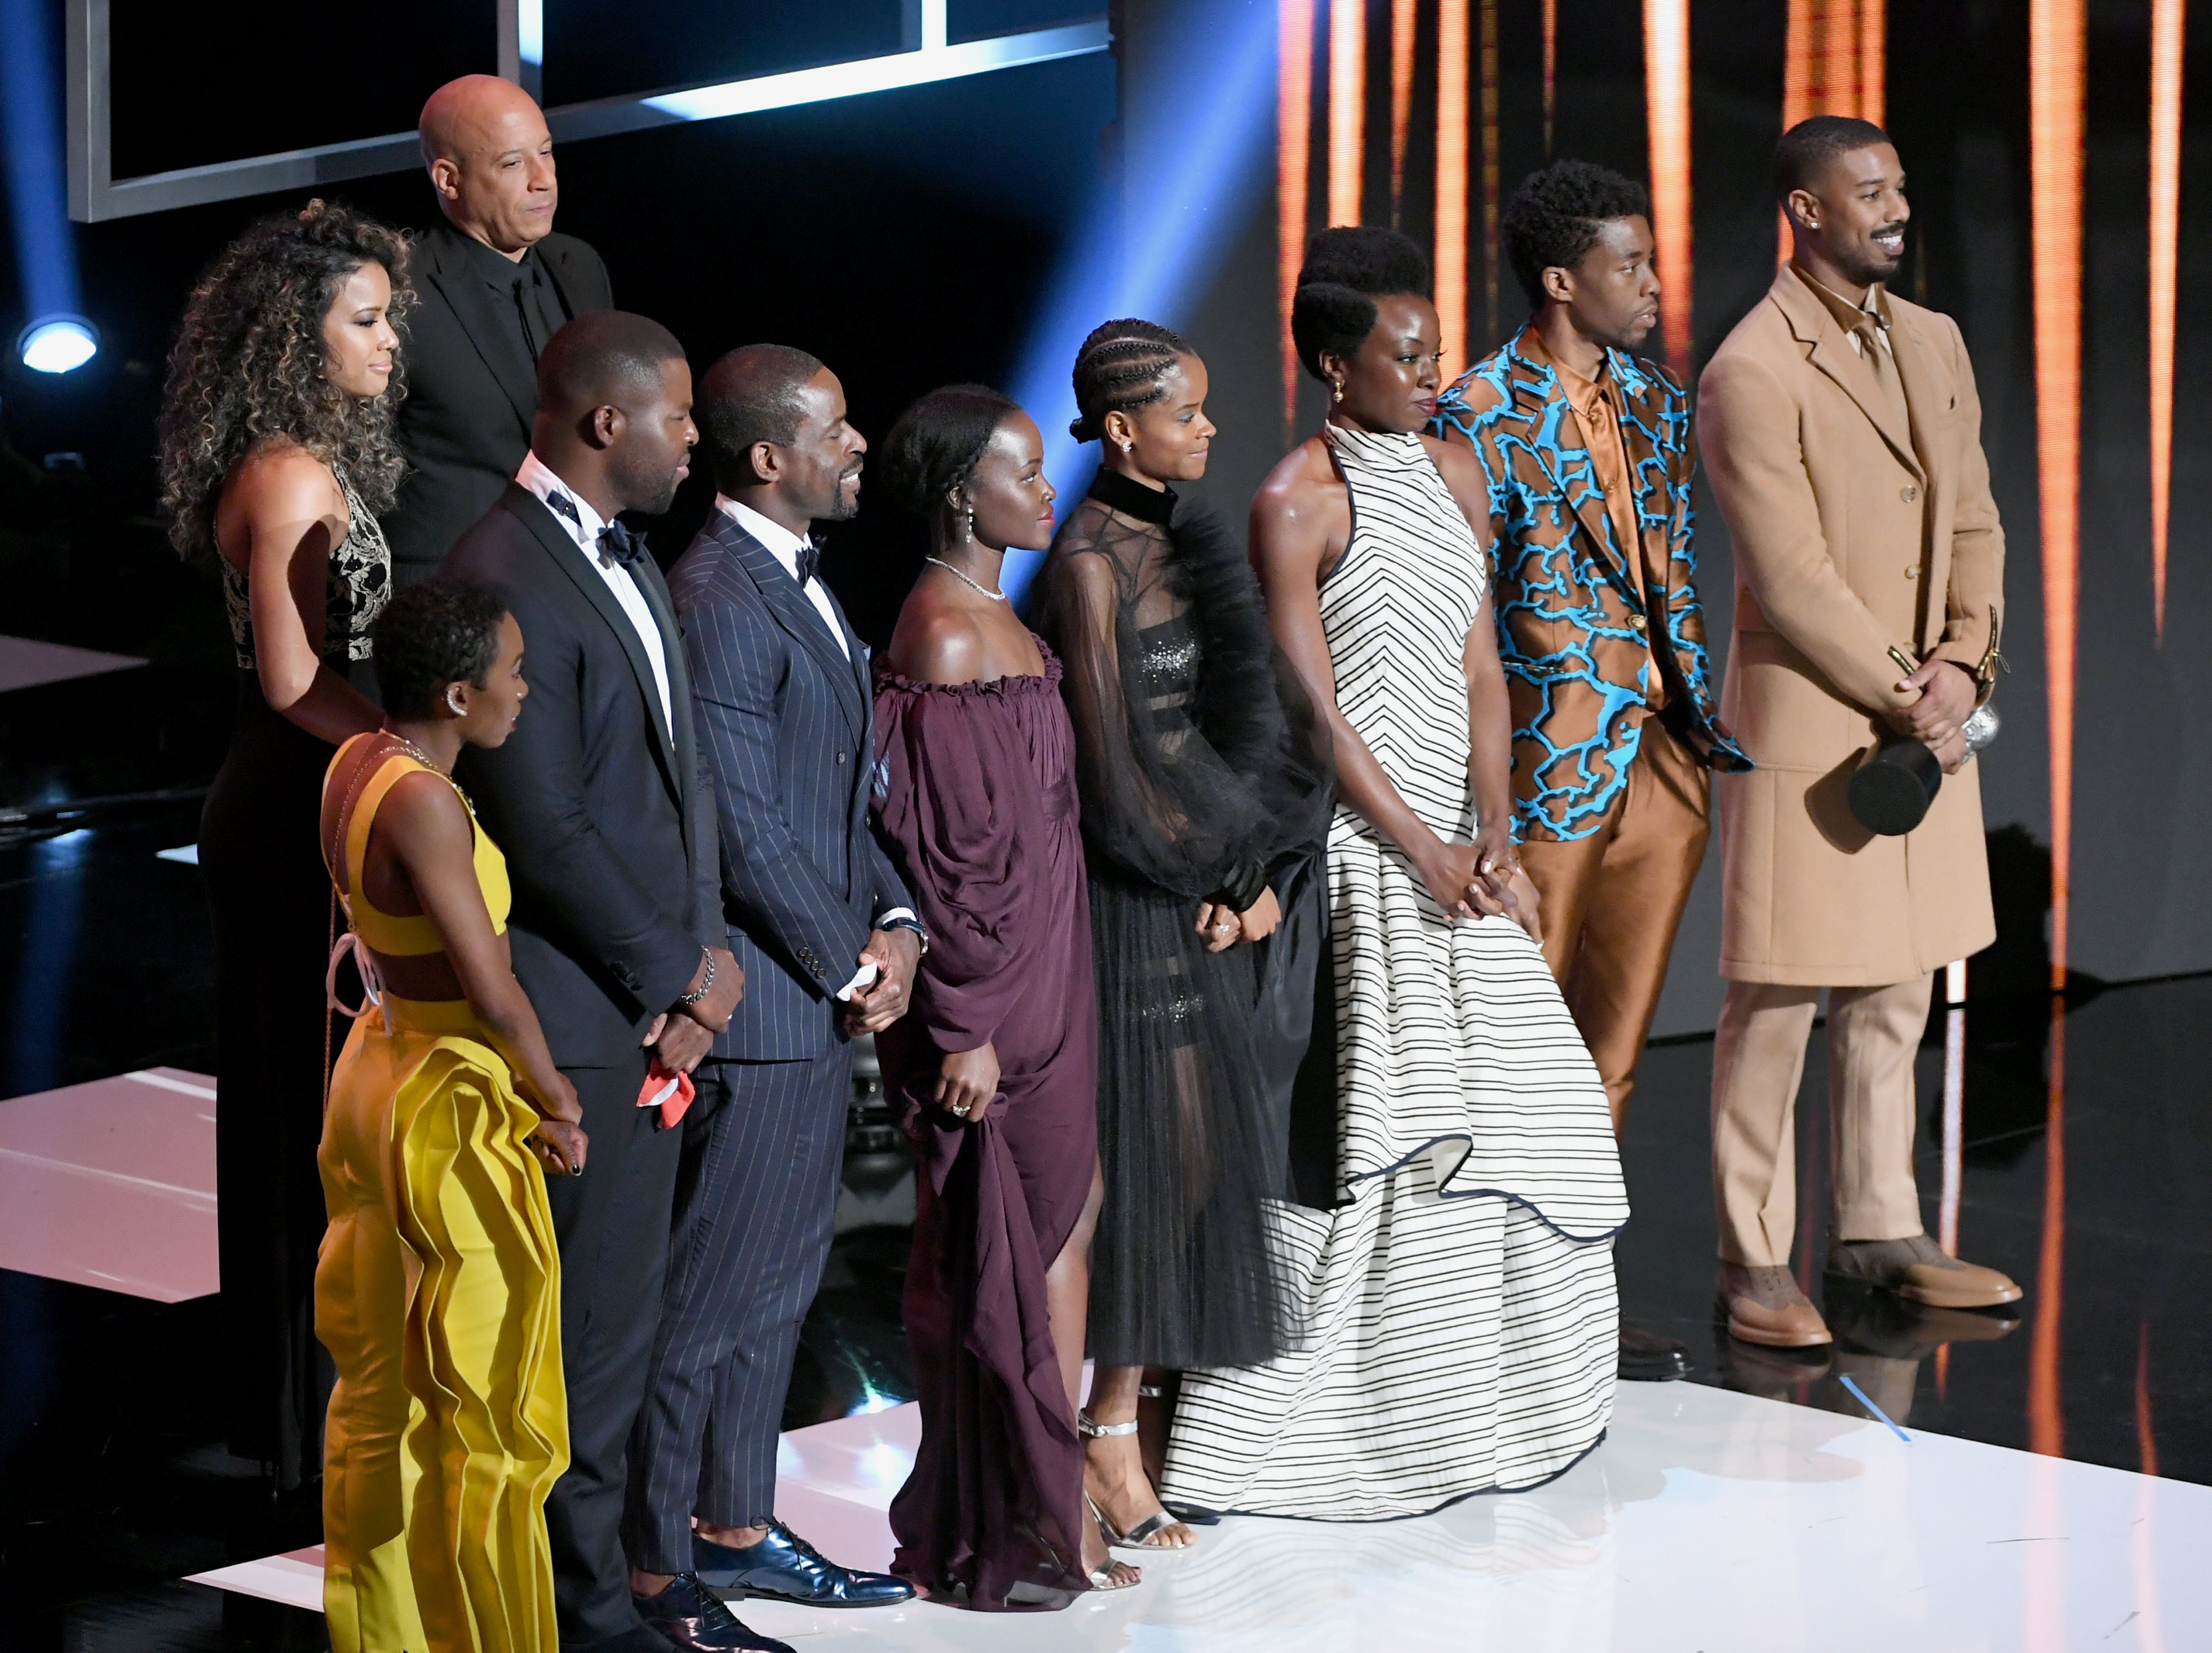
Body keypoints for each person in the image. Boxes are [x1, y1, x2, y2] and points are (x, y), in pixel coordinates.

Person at [1163, 228, 1629, 1520]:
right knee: (1391, 1139)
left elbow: (1484, 668)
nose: (1430, 373)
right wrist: (1418, 847)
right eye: (1403, 353)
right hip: (1365, 860)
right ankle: (1328, 1431)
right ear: (1331, 362)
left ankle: (1498, 1408)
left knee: (1532, 1119)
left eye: (1433, 350)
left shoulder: (1456, 472)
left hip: (1462, 856)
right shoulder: (1295, 499)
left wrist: (1497, 837)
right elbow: (1313, 712)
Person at [441, 311, 744, 1652]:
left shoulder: (628, 558)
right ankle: (577, 1619)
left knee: (621, 1332)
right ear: (606, 422)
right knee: (580, 1343)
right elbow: (540, 818)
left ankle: (610, 1595)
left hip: (654, 1006)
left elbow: (677, 785)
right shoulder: (501, 565)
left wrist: (701, 960)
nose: (696, 436)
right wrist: (673, 968)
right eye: (678, 414)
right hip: (578, 1017)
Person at [1697, 116, 2020, 1348]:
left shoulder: (1932, 339)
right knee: (1777, 1001)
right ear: (1805, 212)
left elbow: (1977, 520)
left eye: (1897, 188)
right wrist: (1913, 688)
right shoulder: (1749, 368)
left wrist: (1962, 659)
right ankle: (1751, 1256)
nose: (1894, 209)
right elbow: (1788, 576)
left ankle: (1880, 1228)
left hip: (1924, 714)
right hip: (1818, 722)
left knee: (1898, 984)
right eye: (1867, 193)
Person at [1431, 160, 1752, 1384]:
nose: (1655, 285)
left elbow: (1666, 567)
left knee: (1610, 1048)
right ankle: (1479, 1314)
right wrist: (1480, 796)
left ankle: (1566, 1303)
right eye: (1631, 266)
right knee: (1516, 1044)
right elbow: (1461, 612)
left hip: (1664, 756)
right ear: (1562, 279)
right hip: (1545, 764)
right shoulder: (1473, 412)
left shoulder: (1654, 401)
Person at [624, 345, 922, 1635]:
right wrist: (846, 954)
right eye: (836, 428)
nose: (857, 447)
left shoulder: (791, 582)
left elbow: (841, 789)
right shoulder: (719, 593)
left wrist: (898, 920)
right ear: (767, 457)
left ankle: (737, 1529)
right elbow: (745, 821)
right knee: (706, 1308)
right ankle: (656, 1568)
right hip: (765, 1012)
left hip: (818, 1000)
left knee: (779, 1291)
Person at [1034, 321, 1331, 1547]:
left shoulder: (1178, 536)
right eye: (1187, 410)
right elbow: (1112, 778)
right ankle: (1102, 1440)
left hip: (1203, 881)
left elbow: (1254, 727)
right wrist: (1213, 875)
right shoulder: (1089, 565)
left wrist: (1257, 874)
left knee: (1199, 1165)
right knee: (1149, 1166)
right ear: (1120, 429)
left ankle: (1129, 1413)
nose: (1209, 428)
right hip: (1132, 898)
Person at [869, 385, 1138, 1607]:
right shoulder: (945, 636)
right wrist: (963, 1023)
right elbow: (941, 852)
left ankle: (1051, 1491)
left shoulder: (998, 620)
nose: (1044, 491)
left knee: (1066, 1222)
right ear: (956, 494)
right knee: (1006, 1252)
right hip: (992, 1000)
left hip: (1053, 966)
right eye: (1019, 474)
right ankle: (1021, 1515)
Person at [156, 198, 407, 1492]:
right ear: (294, 337)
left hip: (321, 794)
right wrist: (416, 750)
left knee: (324, 1101)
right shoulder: (290, 474)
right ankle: (310, 1417)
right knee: (305, 1105)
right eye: (363, 321)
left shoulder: (311, 454)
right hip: (294, 808)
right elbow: (295, 679)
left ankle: (319, 1402)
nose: (387, 344)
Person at [317, 578, 586, 1652]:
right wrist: (556, 1099)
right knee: (480, 1401)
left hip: (378, 1077)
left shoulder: (355, 762)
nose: (524, 693)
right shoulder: (426, 800)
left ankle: (386, 1629)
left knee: (387, 1380)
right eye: (513, 674)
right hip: (449, 1105)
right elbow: (490, 987)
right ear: (460, 690)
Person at [388, 75, 612, 587]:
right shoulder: (398, 291)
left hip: (582, 580)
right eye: (513, 164)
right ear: (448, 179)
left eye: (547, 153)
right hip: (454, 596)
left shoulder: (578, 265)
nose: (544, 179)